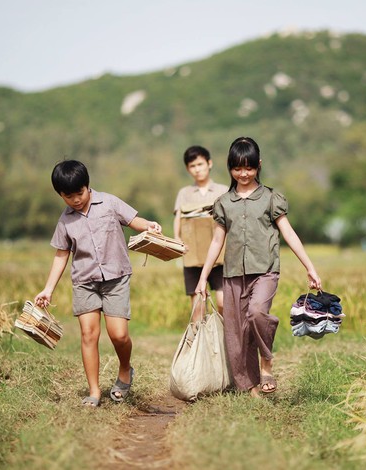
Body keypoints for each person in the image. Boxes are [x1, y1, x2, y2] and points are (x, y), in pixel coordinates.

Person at [194, 137, 322, 397]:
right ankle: (250, 387)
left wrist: (310, 267)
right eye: (237, 168)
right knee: (237, 335)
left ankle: (266, 363)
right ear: (230, 167)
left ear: (258, 165)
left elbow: (289, 233)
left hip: (265, 271)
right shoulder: (223, 203)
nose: (243, 174)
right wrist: (202, 278)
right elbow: (217, 241)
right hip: (232, 275)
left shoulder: (271, 198)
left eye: (249, 168)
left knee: (256, 314)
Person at [34, 160, 162, 407]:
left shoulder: (110, 203)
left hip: (116, 279)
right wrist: (48, 289)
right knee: (88, 335)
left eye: (79, 193)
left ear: (88, 186)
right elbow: (61, 255)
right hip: (84, 282)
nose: (76, 200)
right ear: (60, 195)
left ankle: (125, 370)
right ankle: (94, 391)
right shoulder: (65, 221)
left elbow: (135, 220)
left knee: (119, 335)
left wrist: (150, 226)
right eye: (68, 196)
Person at [173, 145, 228, 319]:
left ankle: (226, 342)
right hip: (193, 257)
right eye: (192, 166)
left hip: (220, 259)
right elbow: (179, 218)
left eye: (200, 164)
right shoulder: (185, 193)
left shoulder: (223, 191)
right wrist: (177, 239)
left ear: (209, 163)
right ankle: (201, 344)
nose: (197, 170)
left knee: (223, 303)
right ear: (188, 169)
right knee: (198, 308)